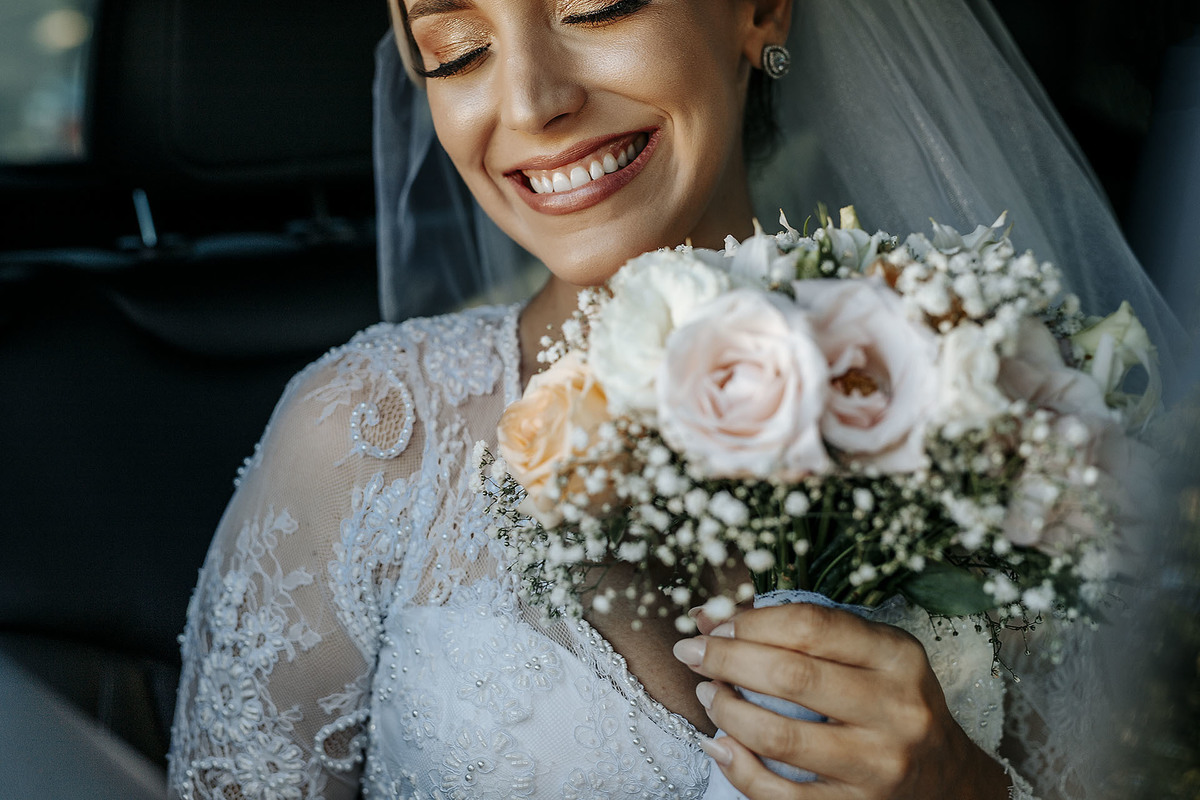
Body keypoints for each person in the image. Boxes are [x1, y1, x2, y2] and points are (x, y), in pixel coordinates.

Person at [167, 0, 1183, 798]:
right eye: (457, 47)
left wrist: (964, 792)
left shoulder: (996, 405)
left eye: (598, 5)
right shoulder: (365, 438)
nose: (529, 103)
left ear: (762, 7)